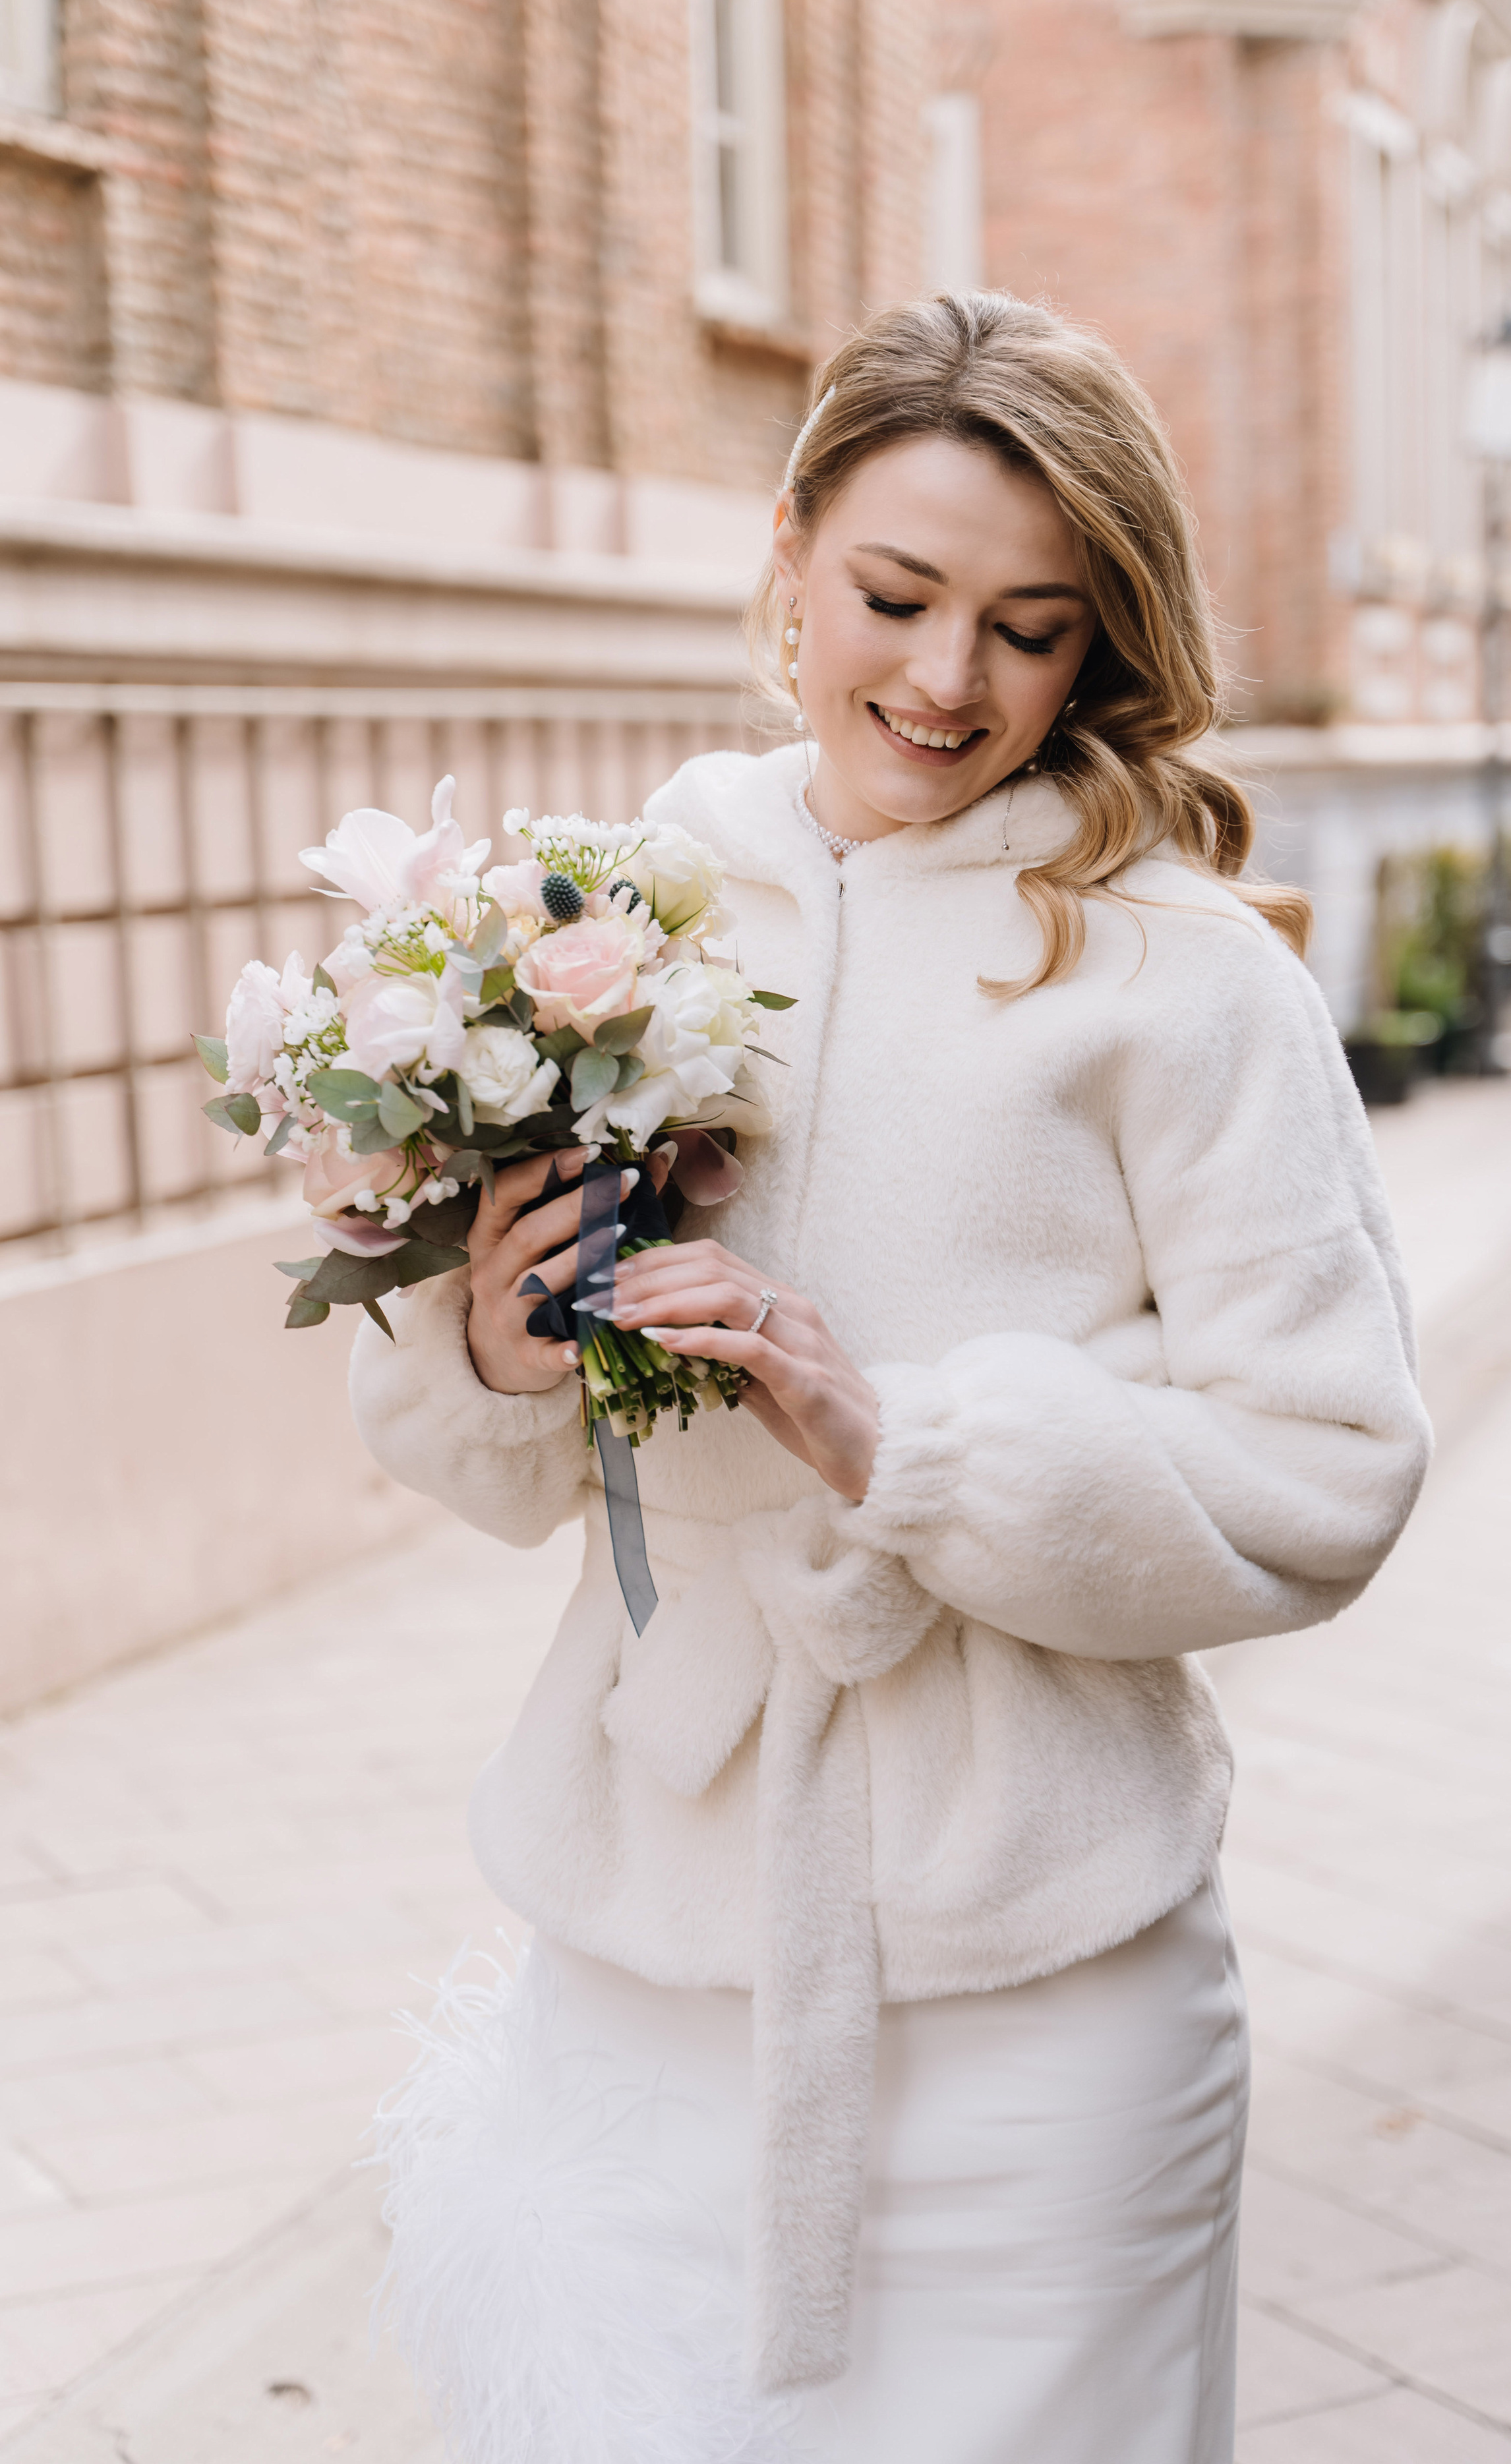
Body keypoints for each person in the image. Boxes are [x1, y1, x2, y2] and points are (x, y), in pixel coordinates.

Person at [350, 291, 1431, 2464]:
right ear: (788, 557)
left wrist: (910, 1445)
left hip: (1041, 2001)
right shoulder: (611, 917)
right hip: (650, 1971)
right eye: (898, 595)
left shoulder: (1187, 977)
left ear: (1103, 640)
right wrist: (483, 1341)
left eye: (1029, 628)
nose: (948, 681)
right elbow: (498, 1473)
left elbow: (1331, 1469)